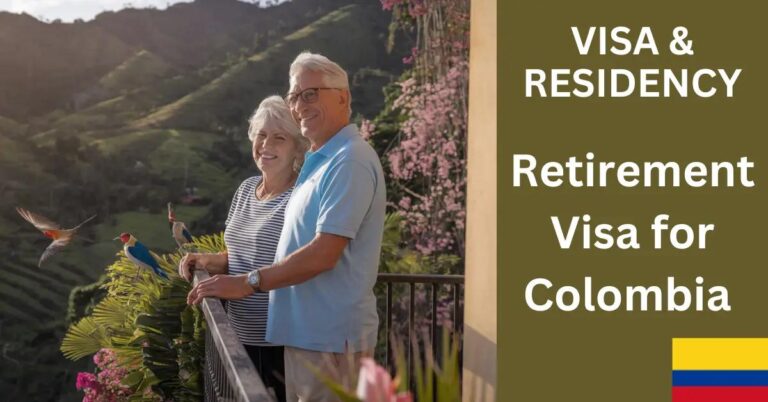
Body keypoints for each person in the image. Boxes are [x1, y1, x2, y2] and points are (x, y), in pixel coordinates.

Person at [186, 51, 386, 402]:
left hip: (329, 341)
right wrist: (216, 262)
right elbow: (276, 249)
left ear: (343, 97)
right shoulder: (323, 162)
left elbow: (324, 254)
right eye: (295, 96)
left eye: (311, 93)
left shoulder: (349, 160)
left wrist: (248, 283)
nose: (300, 104)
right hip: (305, 339)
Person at [180, 95, 308, 402]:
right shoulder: (245, 190)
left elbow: (300, 266)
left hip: (278, 343)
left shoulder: (300, 199)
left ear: (297, 148)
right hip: (235, 338)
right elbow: (240, 257)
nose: (266, 145)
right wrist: (208, 261)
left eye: (279, 137)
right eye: (261, 135)